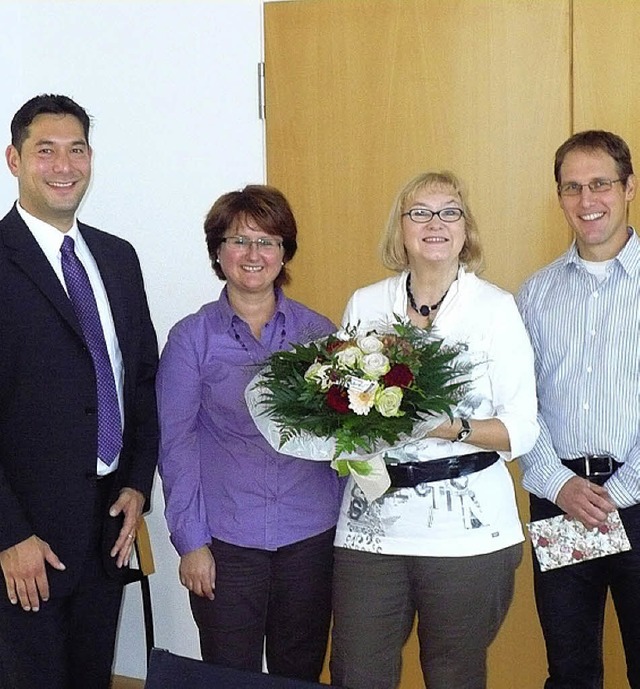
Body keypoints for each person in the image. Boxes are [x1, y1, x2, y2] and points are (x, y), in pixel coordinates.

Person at [329, 170, 539, 689]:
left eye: (450, 211)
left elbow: (521, 431)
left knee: (454, 674)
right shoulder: (366, 303)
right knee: (357, 672)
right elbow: (337, 407)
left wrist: (447, 427)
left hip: (466, 535)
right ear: (400, 229)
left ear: (467, 230)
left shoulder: (495, 308)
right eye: (419, 212)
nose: (435, 223)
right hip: (371, 526)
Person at [0, 94, 158, 689]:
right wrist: (9, 535)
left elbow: (141, 380)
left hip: (106, 530)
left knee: (92, 676)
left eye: (77, 149)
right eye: (46, 150)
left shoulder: (117, 257)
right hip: (25, 538)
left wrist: (138, 484)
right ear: (15, 160)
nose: (64, 165)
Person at [156, 184, 343, 682]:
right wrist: (191, 543)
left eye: (268, 241)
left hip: (311, 535)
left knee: (299, 671)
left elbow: (344, 440)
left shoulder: (318, 334)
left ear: (285, 253)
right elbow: (175, 447)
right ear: (218, 252)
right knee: (229, 674)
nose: (254, 255)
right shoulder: (190, 339)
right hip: (226, 542)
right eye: (239, 241)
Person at [517, 130, 640, 689]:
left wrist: (621, 490)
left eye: (600, 184)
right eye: (572, 187)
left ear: (629, 187)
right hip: (561, 502)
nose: (587, 200)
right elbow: (520, 404)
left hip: (637, 500)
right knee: (569, 672)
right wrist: (558, 483)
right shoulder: (535, 294)